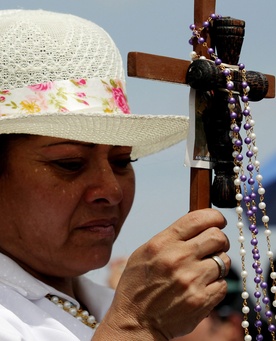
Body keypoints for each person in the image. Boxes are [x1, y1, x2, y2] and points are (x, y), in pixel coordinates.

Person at [0, 9, 231, 341]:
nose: (110, 189)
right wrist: (135, 326)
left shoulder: (101, 304)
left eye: (123, 161)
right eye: (69, 163)